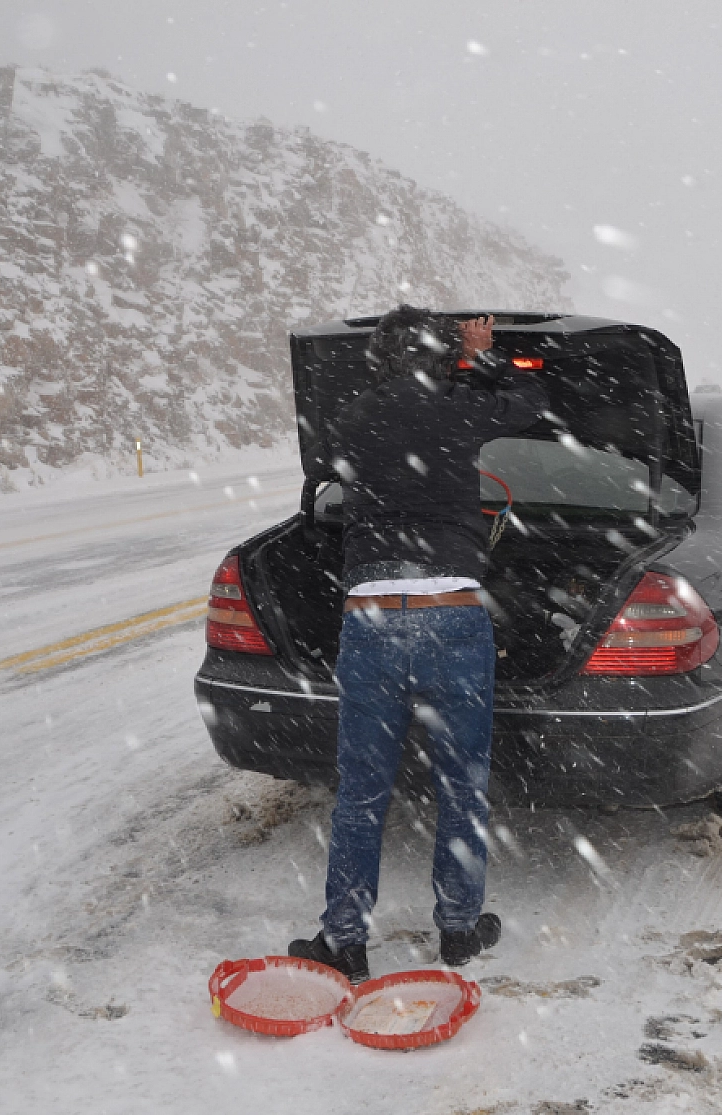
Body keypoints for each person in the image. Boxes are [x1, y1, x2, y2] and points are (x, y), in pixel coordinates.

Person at [288, 306, 547, 984]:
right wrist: (480, 356)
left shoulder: (350, 419)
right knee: (461, 781)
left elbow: (323, 472)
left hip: (371, 618)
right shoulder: (460, 407)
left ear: (379, 359)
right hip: (453, 614)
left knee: (362, 792)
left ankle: (344, 939)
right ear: (440, 357)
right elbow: (530, 401)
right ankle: (459, 930)